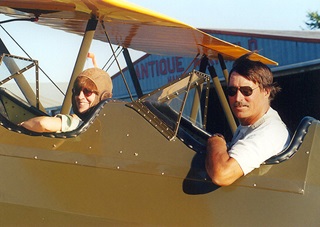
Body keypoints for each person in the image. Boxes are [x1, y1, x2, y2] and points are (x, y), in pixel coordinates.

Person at [205, 53, 290, 186]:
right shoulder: (249, 125)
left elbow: (221, 175)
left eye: (246, 91)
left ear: (266, 91)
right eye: (232, 91)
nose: (238, 98)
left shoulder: (269, 132)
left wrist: (215, 140)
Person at [20, 67, 113, 132]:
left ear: (103, 97)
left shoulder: (76, 124)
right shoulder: (109, 125)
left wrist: (23, 125)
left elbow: (42, 123)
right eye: (77, 91)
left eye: (87, 91)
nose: (80, 96)